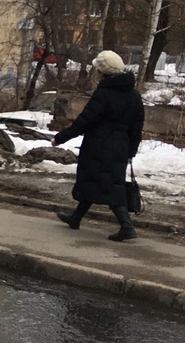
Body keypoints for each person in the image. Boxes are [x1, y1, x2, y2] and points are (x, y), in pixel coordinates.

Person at [52, 49, 145, 242]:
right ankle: (75, 218)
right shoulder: (134, 96)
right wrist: (131, 151)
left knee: (109, 186)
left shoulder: (104, 93)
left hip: (99, 146)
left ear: (104, 73)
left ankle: (127, 227)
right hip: (119, 147)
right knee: (95, 180)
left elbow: (85, 121)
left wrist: (61, 137)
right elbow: (137, 128)